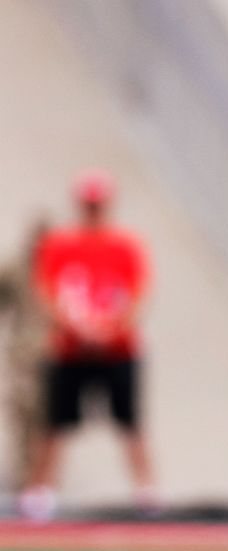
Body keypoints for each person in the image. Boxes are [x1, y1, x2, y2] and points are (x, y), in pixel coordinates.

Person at [20, 171, 154, 520]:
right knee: (56, 424)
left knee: (130, 424)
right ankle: (41, 492)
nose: (93, 212)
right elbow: (46, 293)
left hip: (117, 348)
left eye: (98, 205)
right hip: (70, 348)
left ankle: (147, 493)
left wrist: (108, 331)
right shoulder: (61, 245)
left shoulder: (125, 246)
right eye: (89, 205)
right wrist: (77, 329)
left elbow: (137, 296)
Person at [0, 217, 50, 494]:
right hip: (22, 358)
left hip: (53, 358)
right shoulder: (16, 270)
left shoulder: (59, 272)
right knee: (20, 416)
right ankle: (22, 483)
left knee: (47, 425)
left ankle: (40, 486)